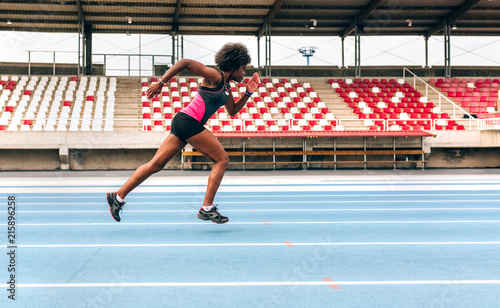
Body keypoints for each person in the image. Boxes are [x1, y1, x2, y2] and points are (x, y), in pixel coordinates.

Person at [107, 42, 259, 224]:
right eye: (243, 68)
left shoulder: (227, 88)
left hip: (184, 123)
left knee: (155, 164)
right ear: (234, 65)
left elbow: (233, 111)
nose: (244, 73)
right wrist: (161, 83)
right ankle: (207, 208)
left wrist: (248, 93)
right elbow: (185, 62)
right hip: (189, 121)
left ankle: (118, 196)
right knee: (222, 159)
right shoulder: (215, 76)